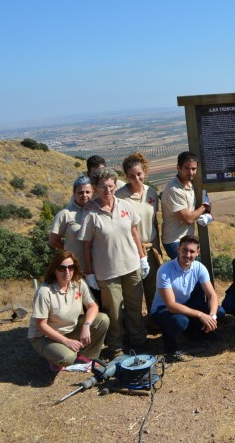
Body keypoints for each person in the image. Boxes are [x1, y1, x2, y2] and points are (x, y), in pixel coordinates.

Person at [78, 167, 149, 356]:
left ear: (115, 185)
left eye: (111, 185)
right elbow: (86, 246)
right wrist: (90, 273)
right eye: (103, 186)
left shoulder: (125, 206)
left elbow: (135, 232)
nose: (107, 190)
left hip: (132, 265)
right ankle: (116, 346)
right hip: (107, 272)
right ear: (95, 187)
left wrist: (142, 258)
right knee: (114, 312)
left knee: (135, 306)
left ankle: (138, 340)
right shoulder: (90, 214)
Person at [28, 251, 109, 371]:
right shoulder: (44, 291)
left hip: (69, 329)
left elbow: (93, 306)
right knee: (67, 358)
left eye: (70, 267)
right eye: (62, 268)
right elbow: (41, 325)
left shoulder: (78, 282)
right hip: (44, 336)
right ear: (54, 270)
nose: (67, 272)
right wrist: (66, 341)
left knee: (102, 320)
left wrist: (86, 326)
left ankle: (85, 356)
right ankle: (55, 356)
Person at [150, 235, 225, 362]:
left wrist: (212, 317)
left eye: (192, 251)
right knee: (180, 321)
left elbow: (212, 295)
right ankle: (169, 345)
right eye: (185, 250)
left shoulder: (199, 267)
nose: (188, 254)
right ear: (178, 249)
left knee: (220, 312)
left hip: (185, 305)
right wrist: (201, 315)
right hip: (162, 310)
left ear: (197, 253)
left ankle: (198, 333)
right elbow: (171, 305)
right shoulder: (165, 270)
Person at [116, 152, 162, 314]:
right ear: (126, 177)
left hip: (152, 246)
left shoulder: (151, 192)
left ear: (145, 172)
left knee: (154, 288)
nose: (136, 179)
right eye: (132, 176)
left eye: (139, 174)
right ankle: (135, 328)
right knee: (134, 291)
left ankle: (155, 322)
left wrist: (159, 246)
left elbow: (154, 220)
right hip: (131, 250)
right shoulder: (119, 197)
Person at [49, 175, 98, 299]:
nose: (84, 195)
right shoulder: (65, 214)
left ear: (93, 192)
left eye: (88, 192)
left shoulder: (99, 211)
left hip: (100, 266)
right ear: (74, 193)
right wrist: (69, 251)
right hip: (77, 270)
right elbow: (53, 241)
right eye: (80, 192)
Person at [160, 152, 211, 260]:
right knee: (187, 272)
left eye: (193, 169)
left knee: (190, 273)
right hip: (175, 241)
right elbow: (188, 219)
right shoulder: (174, 189)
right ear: (178, 167)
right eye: (187, 168)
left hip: (185, 239)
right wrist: (204, 206)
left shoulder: (190, 184)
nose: (191, 172)